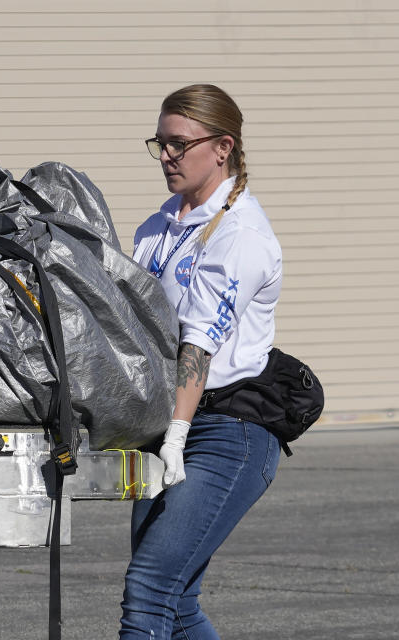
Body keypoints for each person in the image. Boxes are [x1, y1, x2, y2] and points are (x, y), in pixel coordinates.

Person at [119, 84, 283, 639]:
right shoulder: (158, 225)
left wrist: (177, 433)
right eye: (159, 143)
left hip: (226, 430)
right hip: (169, 421)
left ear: (223, 147)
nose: (166, 156)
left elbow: (199, 344)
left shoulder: (241, 234)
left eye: (178, 144)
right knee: (177, 602)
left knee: (150, 590)